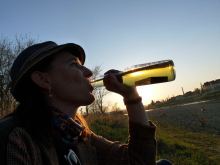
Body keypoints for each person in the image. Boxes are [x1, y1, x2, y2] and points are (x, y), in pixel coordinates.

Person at [0, 41, 172, 165]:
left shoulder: (79, 135)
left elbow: (139, 161)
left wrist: (132, 97)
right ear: (43, 80)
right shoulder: (15, 138)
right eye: (74, 64)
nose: (89, 72)